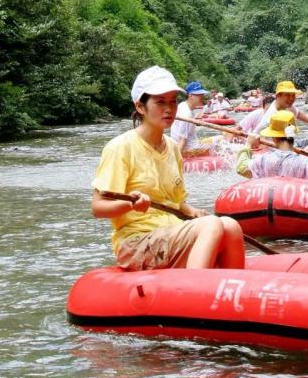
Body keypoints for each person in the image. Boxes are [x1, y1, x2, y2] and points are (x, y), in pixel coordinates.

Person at [91, 65, 245, 271]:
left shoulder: (172, 148)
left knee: (230, 225)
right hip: (136, 241)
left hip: (170, 231)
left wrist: (195, 212)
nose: (169, 109)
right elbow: (98, 208)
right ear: (140, 107)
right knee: (211, 226)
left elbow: (177, 203)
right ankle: (193, 291)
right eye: (160, 102)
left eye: (173, 101)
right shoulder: (120, 147)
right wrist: (131, 205)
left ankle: (229, 292)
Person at [236, 111, 308, 183]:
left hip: (268, 204)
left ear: (274, 138)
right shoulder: (305, 163)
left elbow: (241, 168)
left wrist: (248, 144)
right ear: (293, 135)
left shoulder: (262, 160)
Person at [170, 80, 212, 156]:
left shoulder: (182, 105)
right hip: (190, 149)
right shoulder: (187, 114)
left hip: (188, 145)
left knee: (217, 139)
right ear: (191, 96)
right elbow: (182, 140)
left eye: (202, 94)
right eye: (199, 95)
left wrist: (195, 120)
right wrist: (175, 160)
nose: (202, 97)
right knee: (219, 141)